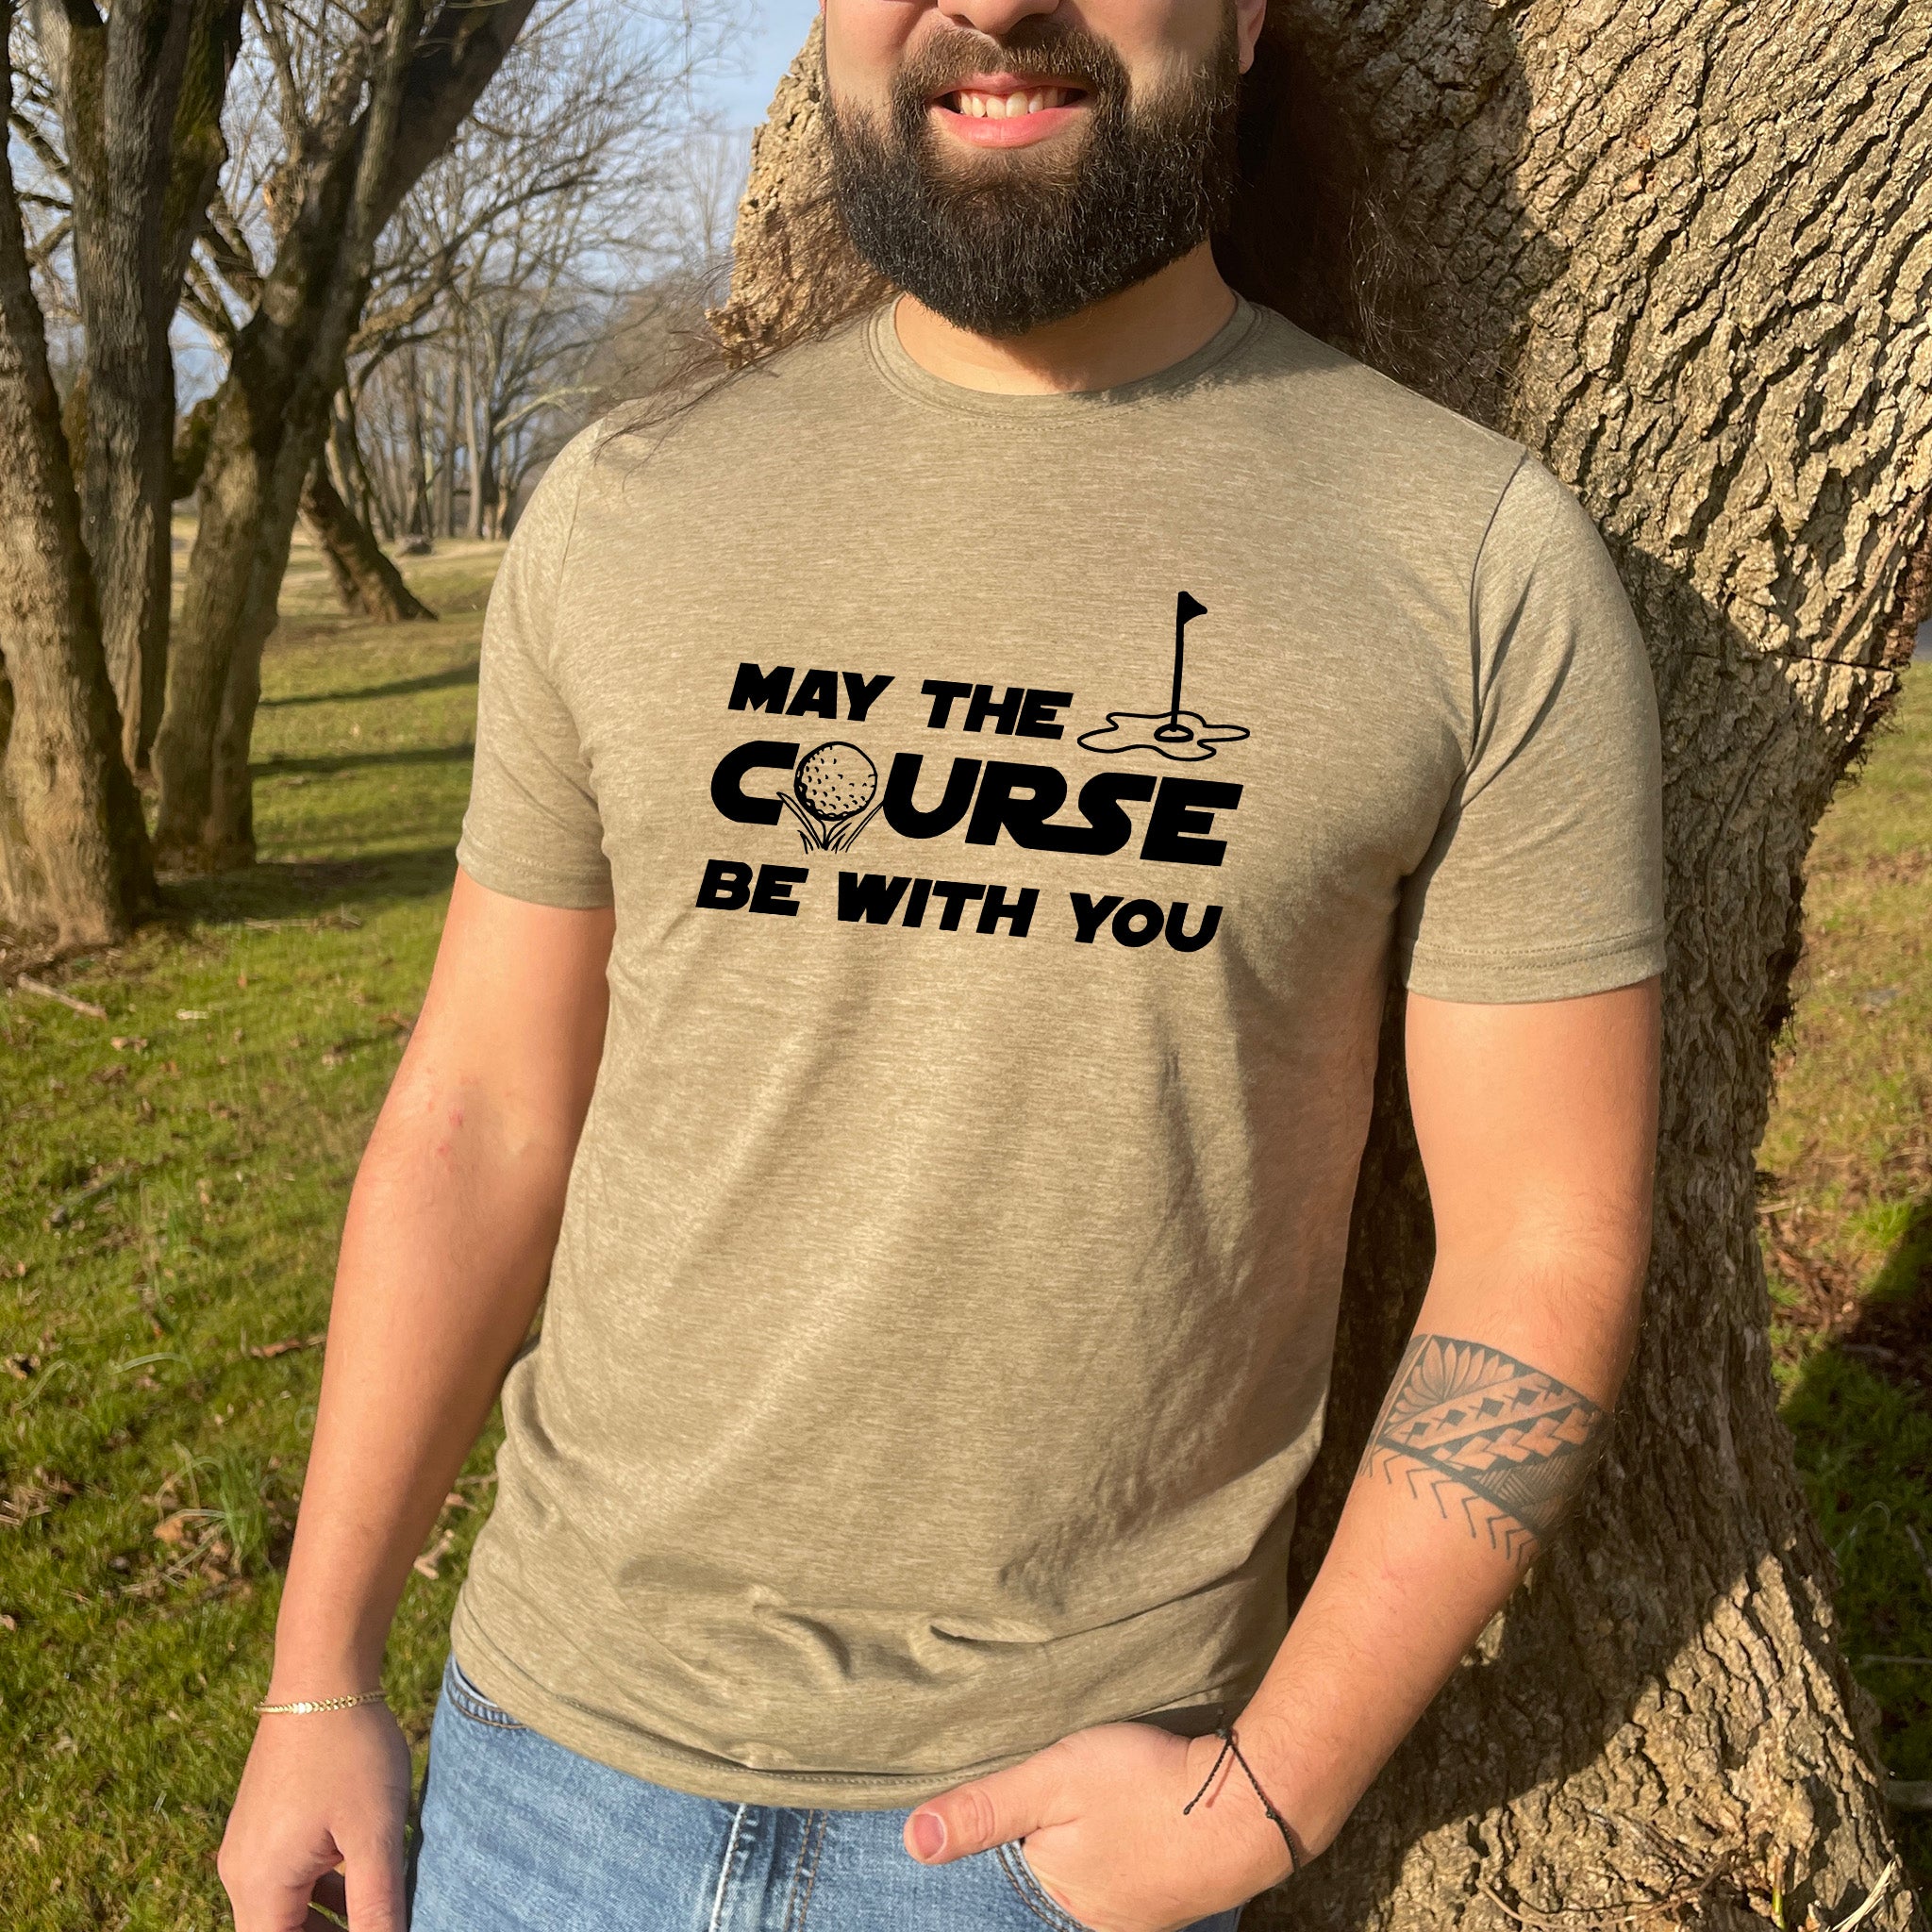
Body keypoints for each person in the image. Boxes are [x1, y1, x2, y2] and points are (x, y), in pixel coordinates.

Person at [218, 0, 1665, 1926]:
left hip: (1052, 1839)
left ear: (1242, 21)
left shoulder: (1468, 558)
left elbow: (1542, 1240)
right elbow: (478, 1116)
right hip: (540, 1783)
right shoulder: (629, 511)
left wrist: (1269, 1788)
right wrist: (319, 1674)